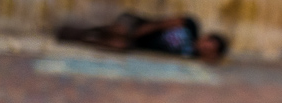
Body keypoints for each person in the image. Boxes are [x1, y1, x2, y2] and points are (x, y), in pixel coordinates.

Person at [56, 13, 229, 63]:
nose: (205, 47)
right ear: (206, 36)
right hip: (140, 26)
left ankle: (81, 40)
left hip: (138, 43)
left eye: (210, 49)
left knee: (119, 45)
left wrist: (211, 57)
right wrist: (144, 29)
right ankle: (80, 31)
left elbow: (213, 61)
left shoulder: (190, 54)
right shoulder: (191, 26)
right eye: (209, 43)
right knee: (121, 31)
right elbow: (165, 22)